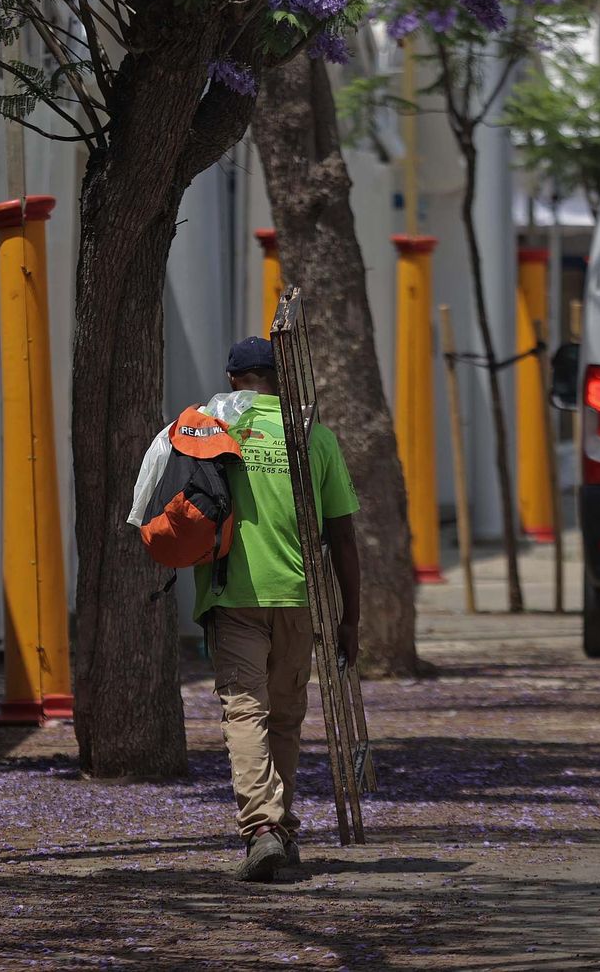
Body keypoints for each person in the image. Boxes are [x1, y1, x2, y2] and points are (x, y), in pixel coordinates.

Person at [197, 335, 361, 883]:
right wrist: (349, 616)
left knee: (246, 711)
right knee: (287, 717)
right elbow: (342, 536)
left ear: (233, 380)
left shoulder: (213, 430)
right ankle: (281, 831)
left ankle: (263, 829)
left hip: (233, 595)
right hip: (300, 597)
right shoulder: (315, 436)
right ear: (281, 379)